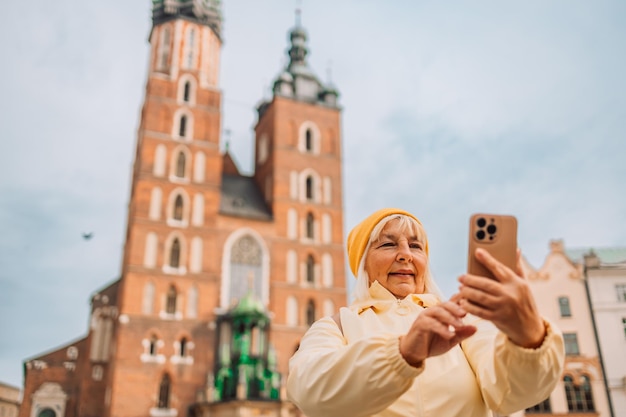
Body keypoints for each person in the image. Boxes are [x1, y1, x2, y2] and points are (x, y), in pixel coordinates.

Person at [287, 208, 564, 417]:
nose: (406, 254)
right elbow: (309, 390)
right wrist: (402, 353)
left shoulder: (462, 320)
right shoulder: (337, 326)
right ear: (362, 264)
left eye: (416, 246)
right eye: (388, 244)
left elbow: (512, 394)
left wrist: (527, 335)